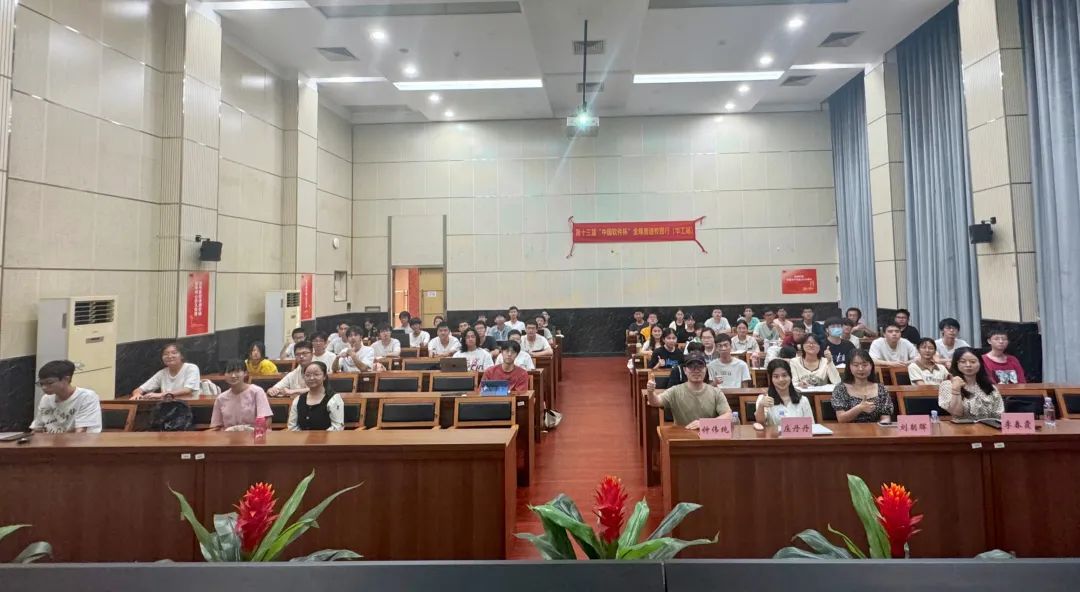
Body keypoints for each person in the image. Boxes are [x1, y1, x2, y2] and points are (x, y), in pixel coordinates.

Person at [646, 352, 731, 429]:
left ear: (705, 369)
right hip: (682, 436)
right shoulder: (675, 391)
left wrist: (704, 424)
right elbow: (655, 402)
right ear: (684, 370)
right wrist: (650, 392)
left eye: (700, 367)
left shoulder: (716, 392)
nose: (696, 370)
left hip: (708, 436)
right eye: (691, 367)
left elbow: (728, 416)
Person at [31, 360, 101, 433]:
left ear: (66, 379)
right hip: (52, 440)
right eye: (41, 384)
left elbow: (81, 432)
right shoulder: (46, 398)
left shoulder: (86, 397)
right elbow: (37, 429)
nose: (44, 387)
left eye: (49, 382)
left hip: (80, 440)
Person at [939, 348, 1005, 420]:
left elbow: (999, 415)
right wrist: (956, 390)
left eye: (973, 362)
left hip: (989, 426)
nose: (968, 365)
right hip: (961, 426)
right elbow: (957, 413)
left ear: (980, 363)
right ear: (956, 364)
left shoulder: (989, 387)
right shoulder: (947, 385)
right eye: (963, 362)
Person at [832, 350, 894, 423]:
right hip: (849, 429)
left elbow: (886, 417)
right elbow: (841, 419)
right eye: (856, 365)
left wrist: (883, 424)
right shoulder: (841, 388)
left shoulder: (881, 388)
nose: (860, 369)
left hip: (876, 429)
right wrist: (859, 408)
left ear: (871, 366)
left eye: (865, 365)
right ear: (849, 367)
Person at [211, 360, 273, 431]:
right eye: (229, 372)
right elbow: (217, 427)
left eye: (237, 371)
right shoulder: (221, 398)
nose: (233, 375)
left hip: (254, 434)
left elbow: (266, 419)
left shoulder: (257, 391)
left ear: (245, 373)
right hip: (229, 436)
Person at [754, 359, 813, 427]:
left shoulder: (803, 400)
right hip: (774, 434)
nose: (781, 380)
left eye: (784, 375)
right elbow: (760, 423)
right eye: (776, 376)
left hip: (799, 434)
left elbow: (811, 426)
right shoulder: (763, 399)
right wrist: (761, 406)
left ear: (790, 376)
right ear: (771, 379)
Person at [287, 361, 344, 431]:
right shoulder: (298, 399)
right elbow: (292, 426)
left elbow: (337, 427)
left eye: (316, 374)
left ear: (324, 376)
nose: (311, 378)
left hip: (328, 437)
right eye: (307, 375)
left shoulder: (334, 399)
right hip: (302, 437)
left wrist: (318, 437)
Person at [131, 344, 201, 399]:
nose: (169, 356)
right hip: (167, 407)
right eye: (165, 354)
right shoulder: (162, 373)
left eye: (174, 353)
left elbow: (187, 390)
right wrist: (137, 394)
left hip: (190, 406)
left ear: (182, 356)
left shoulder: (191, 368)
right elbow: (139, 389)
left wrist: (161, 394)